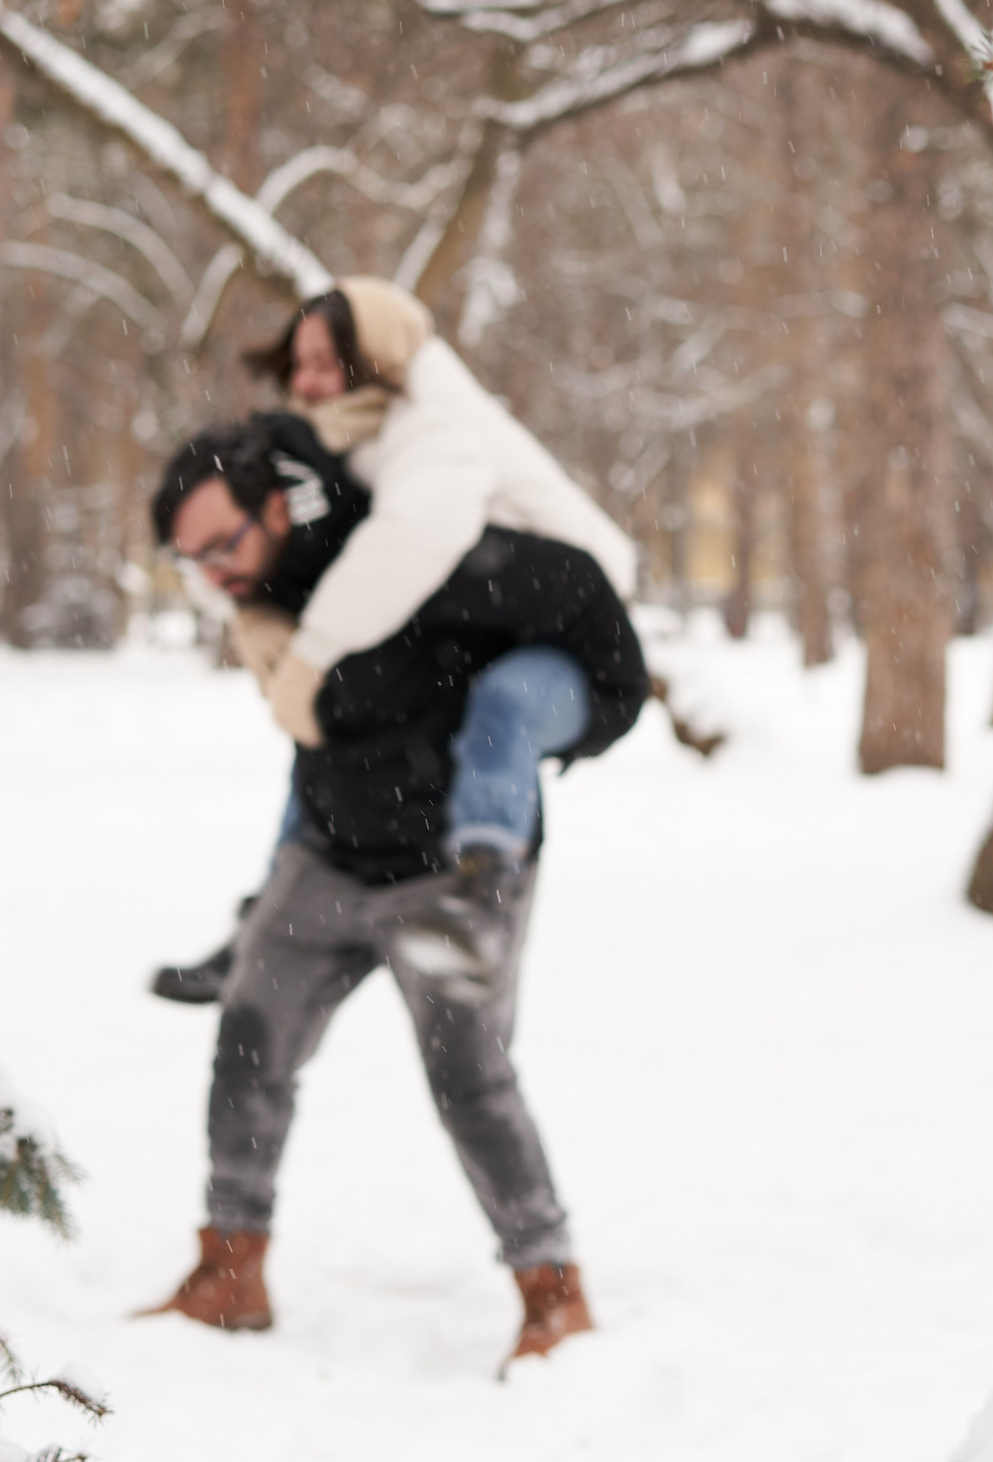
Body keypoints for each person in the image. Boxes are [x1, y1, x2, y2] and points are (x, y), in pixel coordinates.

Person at [141, 415, 646, 1365]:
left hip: (448, 872)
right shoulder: (266, 599)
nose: (210, 571)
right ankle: (230, 1268)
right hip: (329, 854)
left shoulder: (408, 551)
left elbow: (578, 585)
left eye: (222, 544)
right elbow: (315, 739)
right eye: (189, 557)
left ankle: (552, 1289)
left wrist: (605, 694)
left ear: (278, 506)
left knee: (470, 1078)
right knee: (249, 1037)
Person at [150, 279, 639, 1004]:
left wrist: (309, 654)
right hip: (489, 629)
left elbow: (413, 536)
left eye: (324, 360)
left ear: (374, 355)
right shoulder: (358, 428)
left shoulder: (436, 427)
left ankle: (480, 901)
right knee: (333, 726)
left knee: (501, 709)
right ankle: (266, 920)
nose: (306, 380)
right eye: (298, 361)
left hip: (577, 646)